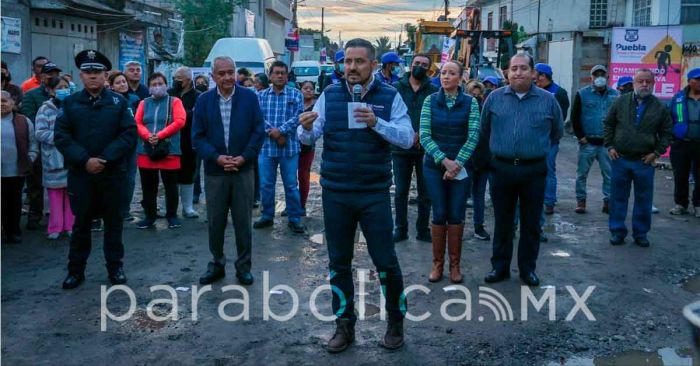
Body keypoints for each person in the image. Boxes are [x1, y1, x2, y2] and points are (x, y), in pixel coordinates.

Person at [298, 38, 414, 352]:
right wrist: (305, 127)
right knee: (338, 263)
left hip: (374, 193)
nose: (352, 67)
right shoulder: (330, 95)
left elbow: (406, 139)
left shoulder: (390, 96)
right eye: (347, 61)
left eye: (359, 62)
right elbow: (309, 137)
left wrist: (378, 123)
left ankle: (394, 321)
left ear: (373, 65)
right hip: (336, 192)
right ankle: (344, 326)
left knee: (387, 263)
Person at [54, 49, 137, 289]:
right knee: (81, 225)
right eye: (88, 72)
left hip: (112, 174)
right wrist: (85, 160)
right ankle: (75, 271)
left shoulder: (119, 103)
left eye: (97, 72)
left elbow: (128, 134)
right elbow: (62, 136)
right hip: (82, 175)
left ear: (106, 75)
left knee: (114, 223)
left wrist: (104, 159)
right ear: (80, 76)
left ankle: (115, 268)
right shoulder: (70, 103)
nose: (92, 76)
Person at [481, 53, 563, 287]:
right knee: (503, 221)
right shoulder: (494, 98)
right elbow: (485, 130)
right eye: (514, 68)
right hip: (502, 169)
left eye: (523, 68)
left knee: (531, 223)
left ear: (533, 73)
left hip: (534, 171)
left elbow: (556, 132)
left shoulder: (548, 100)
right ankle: (500, 267)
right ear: (507, 72)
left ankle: (527, 270)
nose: (518, 73)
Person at [192, 56, 265, 286]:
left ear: (236, 73)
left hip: (243, 171)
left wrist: (244, 157)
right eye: (221, 73)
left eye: (230, 72)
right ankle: (217, 264)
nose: (226, 77)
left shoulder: (249, 97)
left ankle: (243, 267)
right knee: (215, 221)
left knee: (244, 222)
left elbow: (258, 131)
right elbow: (198, 137)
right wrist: (217, 157)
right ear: (213, 76)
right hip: (215, 172)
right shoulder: (203, 101)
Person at [420, 61, 481, 283]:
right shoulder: (430, 101)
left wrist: (457, 164)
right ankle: (437, 265)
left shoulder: (471, 103)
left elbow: (474, 135)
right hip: (435, 168)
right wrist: (445, 162)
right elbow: (425, 135)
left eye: (451, 73)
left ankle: (455, 265)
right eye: (443, 73)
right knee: (439, 213)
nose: (446, 77)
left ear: (461, 78)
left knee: (456, 214)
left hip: (461, 168)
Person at [604, 68, 672, 247]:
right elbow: (608, 124)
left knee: (643, 199)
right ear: (634, 83)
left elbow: (667, 133)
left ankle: (640, 233)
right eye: (640, 81)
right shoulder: (620, 102)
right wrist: (609, 146)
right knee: (618, 197)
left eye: (648, 81)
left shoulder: (660, 107)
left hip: (644, 161)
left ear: (653, 84)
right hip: (621, 159)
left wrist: (656, 153)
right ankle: (617, 231)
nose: (644, 84)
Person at [254, 61, 305, 233]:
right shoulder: (260, 96)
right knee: (266, 184)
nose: (280, 75)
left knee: (290, 185)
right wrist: (273, 133)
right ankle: (267, 215)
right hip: (267, 148)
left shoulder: (296, 95)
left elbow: (299, 116)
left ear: (287, 75)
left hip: (289, 147)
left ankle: (294, 218)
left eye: (283, 73)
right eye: (276, 72)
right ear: (270, 76)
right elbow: (257, 118)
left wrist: (281, 132)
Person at [391, 53, 438, 243]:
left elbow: (436, 116)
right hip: (400, 148)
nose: (419, 66)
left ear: (429, 68)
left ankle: (423, 229)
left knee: (425, 193)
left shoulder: (434, 91)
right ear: (411, 64)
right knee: (401, 192)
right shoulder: (395, 89)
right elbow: (391, 115)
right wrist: (406, 134)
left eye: (424, 64)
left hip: (425, 149)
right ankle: (400, 229)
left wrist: (422, 134)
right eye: (417, 63)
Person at [133, 72, 187, 229]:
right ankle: (150, 216)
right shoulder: (144, 102)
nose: (157, 87)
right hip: (146, 149)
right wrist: (148, 136)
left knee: (170, 185)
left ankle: (172, 215)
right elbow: (137, 122)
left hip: (169, 149)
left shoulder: (175, 101)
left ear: (166, 85)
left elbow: (180, 121)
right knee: (148, 186)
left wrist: (160, 135)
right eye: (153, 84)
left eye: (160, 83)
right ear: (149, 87)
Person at [571, 65, 620, 214]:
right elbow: (575, 116)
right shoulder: (582, 94)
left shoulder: (615, 95)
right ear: (591, 77)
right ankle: (581, 201)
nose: (599, 77)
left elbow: (619, 118)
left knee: (609, 175)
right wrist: (581, 136)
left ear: (607, 77)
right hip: (588, 143)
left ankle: (608, 202)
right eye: (596, 74)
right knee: (581, 174)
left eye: (602, 74)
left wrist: (614, 140)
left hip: (607, 144)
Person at [20, 61, 62, 230]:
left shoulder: (64, 94)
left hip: (60, 147)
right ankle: (35, 216)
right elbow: (29, 118)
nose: (53, 77)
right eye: (49, 73)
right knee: (35, 182)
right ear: (42, 76)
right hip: (39, 145)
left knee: (62, 185)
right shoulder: (32, 95)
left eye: (56, 73)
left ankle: (59, 217)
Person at [35, 76, 75, 240]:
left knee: (71, 195)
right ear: (51, 90)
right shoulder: (45, 109)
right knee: (55, 196)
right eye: (59, 87)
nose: (63, 90)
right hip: (53, 158)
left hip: (71, 157)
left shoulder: (72, 106)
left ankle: (71, 226)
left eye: (66, 86)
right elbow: (39, 132)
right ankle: (55, 228)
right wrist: (60, 138)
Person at [1, 91, 38, 243]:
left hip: (16, 170)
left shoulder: (23, 121)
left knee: (14, 202)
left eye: (4, 100)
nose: (1, 104)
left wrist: (30, 158)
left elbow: (33, 143)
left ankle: (13, 231)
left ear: (13, 103)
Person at [534, 63, 569, 215]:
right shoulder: (533, 91)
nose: (535, 79)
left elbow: (560, 120)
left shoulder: (559, 93)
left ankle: (549, 201)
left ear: (544, 76)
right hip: (533, 139)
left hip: (549, 140)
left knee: (548, 170)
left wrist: (552, 138)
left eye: (537, 76)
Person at [108, 71, 141, 222]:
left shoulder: (134, 99)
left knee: (130, 178)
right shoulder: (109, 100)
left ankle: (125, 210)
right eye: (118, 82)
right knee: (115, 178)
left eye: (124, 82)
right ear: (112, 86)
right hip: (114, 145)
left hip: (132, 145)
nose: (123, 84)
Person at [169, 66, 202, 219]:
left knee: (188, 173)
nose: (175, 81)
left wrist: (179, 115)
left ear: (188, 80)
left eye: (179, 79)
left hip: (189, 141)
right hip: (169, 140)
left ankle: (187, 208)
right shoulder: (169, 94)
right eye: (174, 78)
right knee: (170, 175)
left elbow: (196, 116)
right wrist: (184, 115)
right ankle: (171, 208)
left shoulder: (198, 96)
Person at [668, 68, 700, 217]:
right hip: (681, 143)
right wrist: (671, 137)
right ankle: (681, 204)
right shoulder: (678, 98)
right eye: (697, 79)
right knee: (680, 175)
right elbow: (669, 119)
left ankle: (698, 205)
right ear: (689, 81)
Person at [298, 80, 317, 215]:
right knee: (290, 179)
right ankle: (292, 204)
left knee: (304, 176)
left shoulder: (316, 108)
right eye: (305, 88)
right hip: (293, 145)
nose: (308, 90)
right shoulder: (297, 105)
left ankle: (302, 205)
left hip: (307, 147)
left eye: (311, 88)